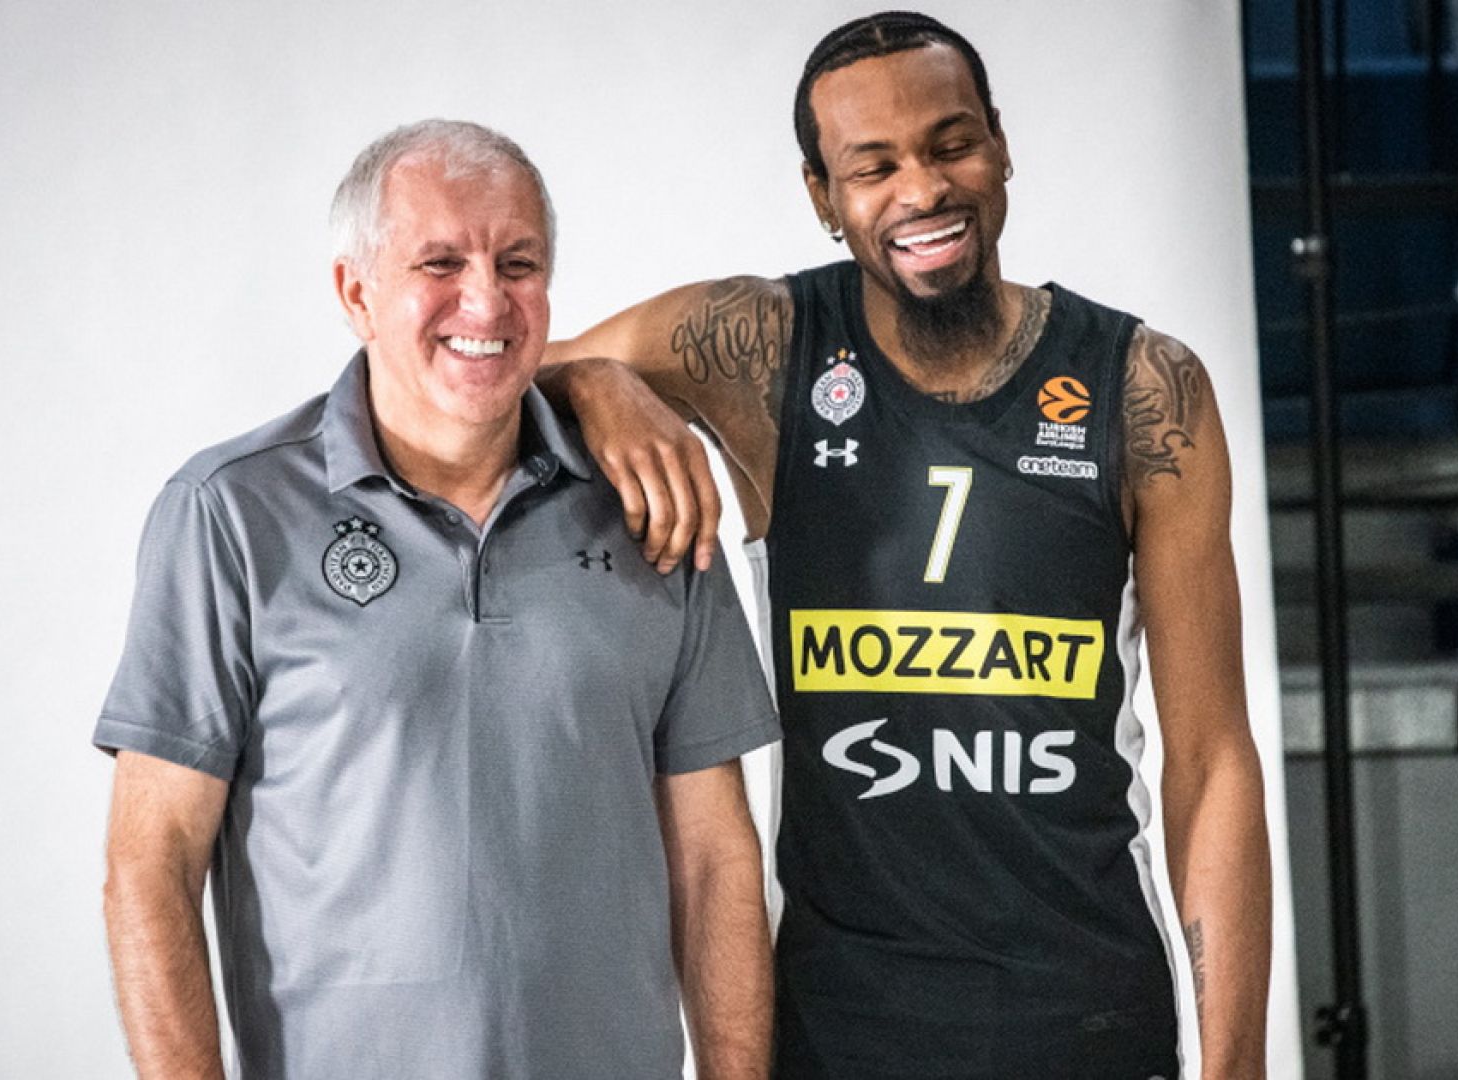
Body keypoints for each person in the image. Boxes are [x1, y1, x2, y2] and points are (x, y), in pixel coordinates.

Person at [539, 12, 1271, 1079]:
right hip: (841, 1030)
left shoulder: (1144, 387)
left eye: (951, 144)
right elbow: (495, 376)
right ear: (821, 195)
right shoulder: (764, 349)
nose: (923, 189)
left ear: (1001, 144)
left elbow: (1210, 763)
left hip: (1086, 1021)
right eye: (873, 167)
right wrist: (598, 380)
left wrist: (1235, 1065)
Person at [96, 119, 779, 1080]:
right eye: (440, 262)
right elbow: (152, 863)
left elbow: (714, 862)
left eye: (519, 263)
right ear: (356, 293)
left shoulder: (654, 501)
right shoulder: (230, 514)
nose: (486, 298)